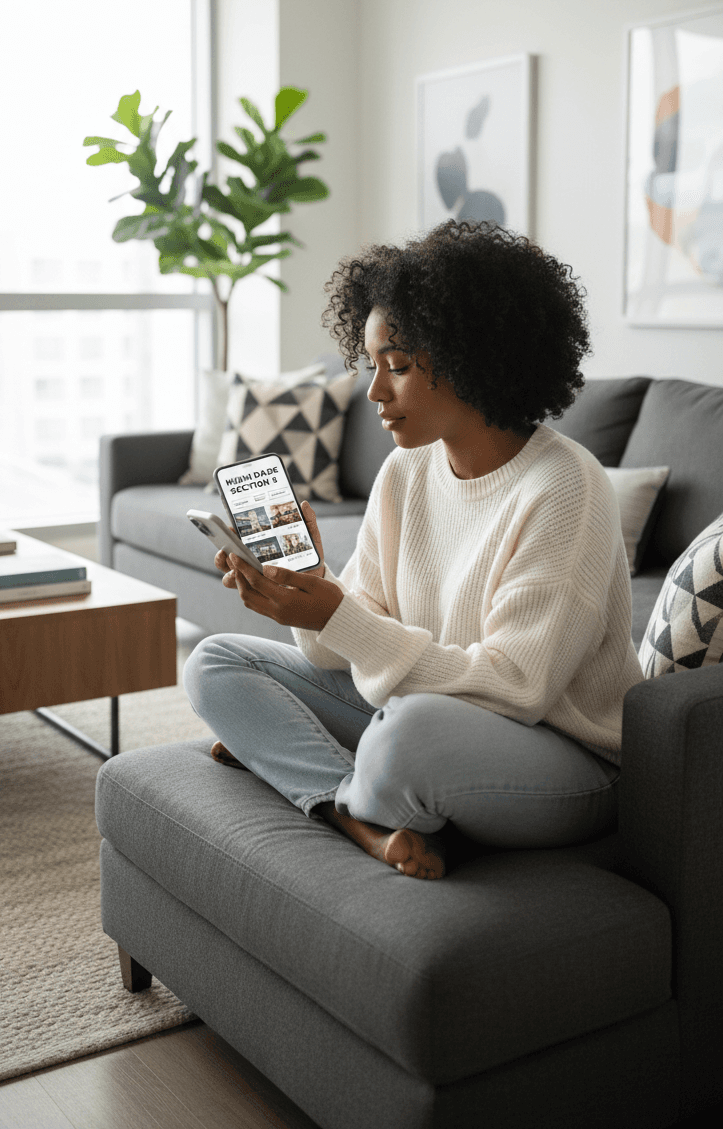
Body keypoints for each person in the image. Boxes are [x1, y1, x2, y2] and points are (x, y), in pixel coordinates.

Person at [183, 220, 644, 880]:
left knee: (409, 735)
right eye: (371, 366)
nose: (375, 393)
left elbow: (519, 689)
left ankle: (334, 789)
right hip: (425, 706)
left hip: (566, 757)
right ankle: (363, 812)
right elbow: (340, 644)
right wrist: (306, 594)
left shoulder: (566, 488)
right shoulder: (405, 472)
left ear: (471, 358)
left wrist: (340, 618)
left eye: (396, 367)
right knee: (215, 663)